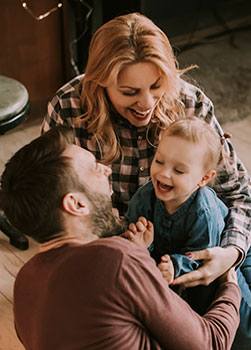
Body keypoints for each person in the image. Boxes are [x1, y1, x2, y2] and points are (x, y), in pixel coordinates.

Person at [41, 12, 251, 296]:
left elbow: (239, 193)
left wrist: (231, 253)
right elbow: (52, 208)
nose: (147, 103)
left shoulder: (189, 102)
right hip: (114, 258)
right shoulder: (68, 110)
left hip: (199, 243)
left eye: (156, 86)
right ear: (101, 82)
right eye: (129, 92)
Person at [0, 126, 242, 350]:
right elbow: (212, 343)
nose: (107, 169)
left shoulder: (24, 282)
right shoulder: (113, 259)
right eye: (95, 167)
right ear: (76, 204)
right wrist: (228, 283)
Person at [125, 117, 251, 349]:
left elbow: (203, 259)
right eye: (159, 161)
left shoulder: (203, 211)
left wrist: (175, 265)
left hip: (217, 257)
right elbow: (133, 242)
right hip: (173, 262)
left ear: (203, 179)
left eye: (179, 170)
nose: (164, 174)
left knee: (243, 329)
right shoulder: (144, 198)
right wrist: (142, 244)